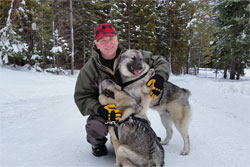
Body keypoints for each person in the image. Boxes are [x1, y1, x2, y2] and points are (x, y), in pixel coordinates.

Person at [74, 23, 170, 157]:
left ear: (117, 39)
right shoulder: (89, 69)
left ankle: (139, 136)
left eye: (111, 38)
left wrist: (160, 76)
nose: (108, 44)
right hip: (107, 110)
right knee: (95, 127)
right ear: (97, 44)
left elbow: (160, 61)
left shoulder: (132, 55)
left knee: (142, 142)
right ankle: (97, 143)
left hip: (131, 109)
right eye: (103, 40)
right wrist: (98, 109)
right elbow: (82, 96)